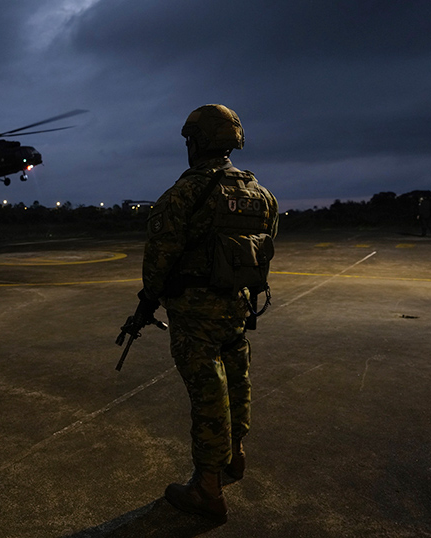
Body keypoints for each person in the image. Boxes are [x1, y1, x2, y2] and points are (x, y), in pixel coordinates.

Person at [125, 104, 278, 524]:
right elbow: (265, 248)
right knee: (237, 382)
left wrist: (148, 301)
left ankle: (207, 490)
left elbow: (158, 260)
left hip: (194, 315)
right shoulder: (260, 194)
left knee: (209, 396)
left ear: (198, 142)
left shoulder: (184, 193)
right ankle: (236, 457)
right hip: (236, 307)